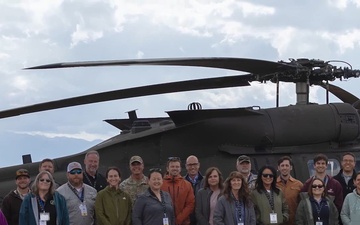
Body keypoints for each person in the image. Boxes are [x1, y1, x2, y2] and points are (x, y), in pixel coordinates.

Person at [161, 157, 195, 225]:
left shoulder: (187, 185)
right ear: (167, 168)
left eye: (177, 166)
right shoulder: (161, 184)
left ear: (180, 168)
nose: (175, 168)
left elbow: (190, 204)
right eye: (172, 166)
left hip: (183, 222)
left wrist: (179, 219)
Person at [276, 156, 303, 225]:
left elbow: (302, 204)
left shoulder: (298, 184)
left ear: (291, 167)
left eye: (287, 165)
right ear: (278, 168)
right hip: (278, 221)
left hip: (293, 221)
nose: (284, 168)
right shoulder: (273, 184)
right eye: (282, 165)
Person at [185, 155, 204, 225]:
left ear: (198, 165)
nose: (192, 167)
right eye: (190, 165)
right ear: (186, 166)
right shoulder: (181, 183)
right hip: (187, 220)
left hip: (202, 221)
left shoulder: (206, 182)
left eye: (195, 164)